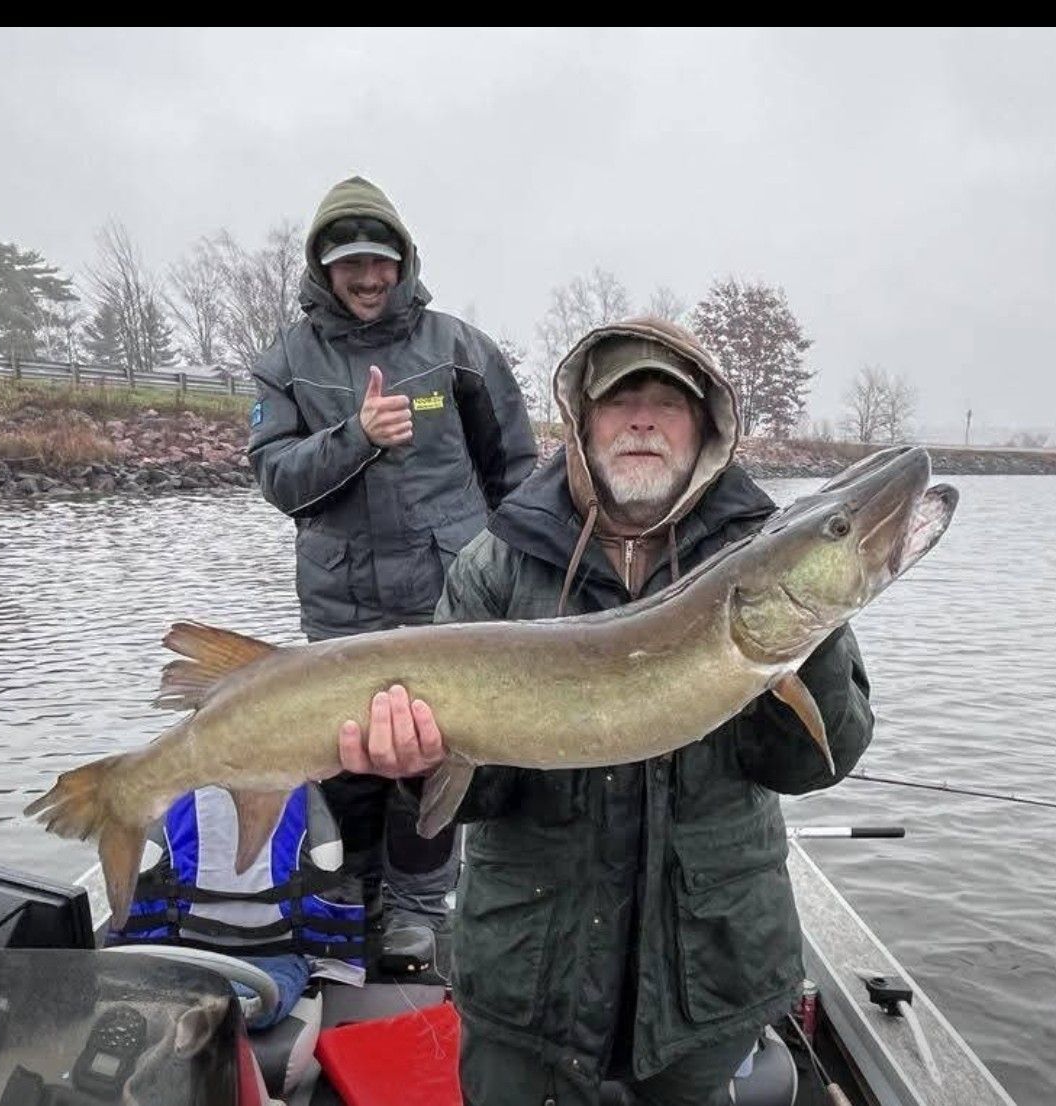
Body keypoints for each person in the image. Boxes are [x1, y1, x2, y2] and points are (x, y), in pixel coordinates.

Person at [337, 317, 875, 1104]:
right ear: (584, 424)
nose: (643, 420)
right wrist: (418, 765)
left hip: (707, 973)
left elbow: (813, 766)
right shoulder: (498, 563)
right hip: (531, 974)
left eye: (669, 402)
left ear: (707, 429)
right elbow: (478, 797)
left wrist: (808, 637)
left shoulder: (765, 557)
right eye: (621, 401)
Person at [247, 174, 537, 973]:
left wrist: (521, 583)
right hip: (339, 605)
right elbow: (277, 479)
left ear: (404, 261)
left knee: (431, 749)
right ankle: (350, 893)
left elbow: (513, 471)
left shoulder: (461, 350)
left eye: (381, 261)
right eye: (351, 265)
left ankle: (418, 908)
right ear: (324, 268)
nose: (369, 278)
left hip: (447, 600)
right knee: (345, 753)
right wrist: (357, 436)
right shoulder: (284, 362)